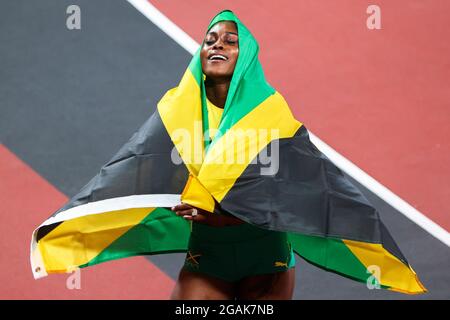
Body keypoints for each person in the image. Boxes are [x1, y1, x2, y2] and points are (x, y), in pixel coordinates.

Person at [170, 20, 296, 300]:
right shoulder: (176, 109)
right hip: (207, 250)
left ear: (246, 55)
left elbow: (277, 190)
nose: (217, 44)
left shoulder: (268, 109)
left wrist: (213, 209)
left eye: (230, 41)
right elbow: (154, 170)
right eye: (211, 39)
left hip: (264, 252)